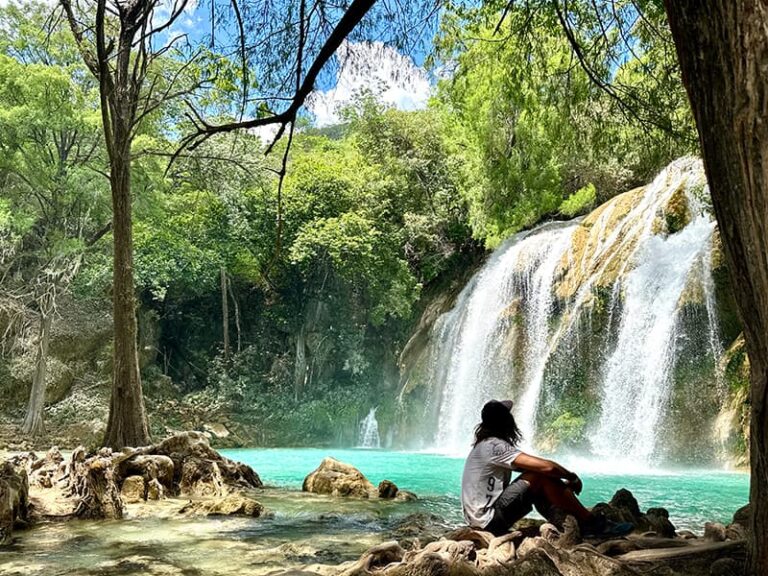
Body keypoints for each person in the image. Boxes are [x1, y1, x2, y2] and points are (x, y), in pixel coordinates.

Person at [461, 399, 633, 537]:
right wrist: (572, 477)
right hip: (489, 521)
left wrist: (559, 482)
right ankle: (592, 524)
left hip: (481, 520)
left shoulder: (486, 445)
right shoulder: (494, 446)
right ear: (505, 422)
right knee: (540, 476)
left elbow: (539, 469)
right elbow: (548, 468)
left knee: (539, 476)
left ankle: (567, 523)